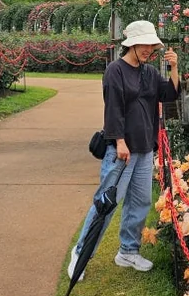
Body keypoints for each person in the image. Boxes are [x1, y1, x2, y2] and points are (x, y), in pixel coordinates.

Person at [68, 19, 180, 279]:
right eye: (144, 44)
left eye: (152, 46)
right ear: (131, 44)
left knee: (140, 202)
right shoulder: (115, 71)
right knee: (106, 204)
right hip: (121, 151)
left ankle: (128, 251)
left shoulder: (150, 72)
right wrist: (119, 141)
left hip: (144, 150)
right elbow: (113, 109)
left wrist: (174, 68)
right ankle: (81, 253)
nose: (148, 50)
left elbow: (169, 94)